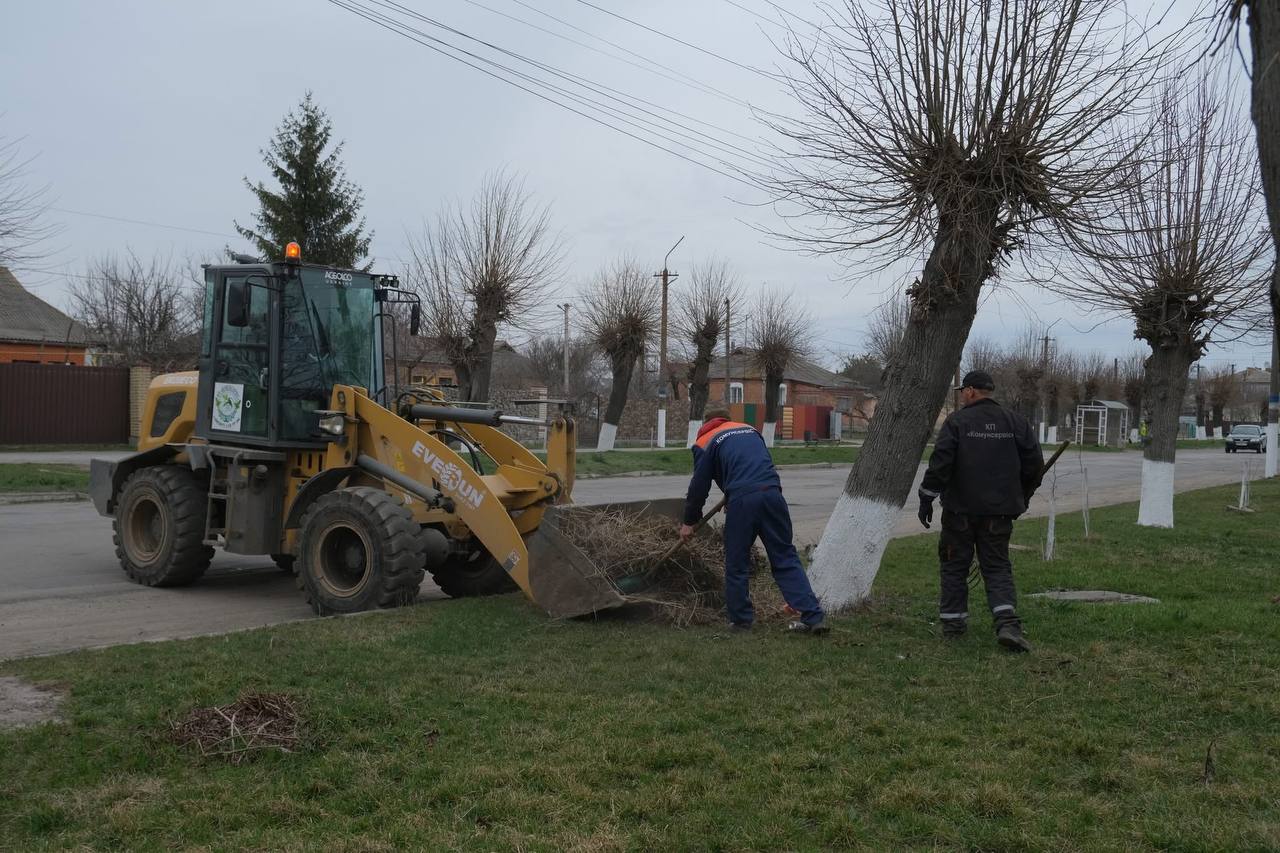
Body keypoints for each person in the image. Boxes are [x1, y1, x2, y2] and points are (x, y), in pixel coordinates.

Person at [917, 371, 1042, 652]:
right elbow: (1034, 465)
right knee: (997, 566)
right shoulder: (1016, 422)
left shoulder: (958, 422)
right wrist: (1021, 496)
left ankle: (953, 625)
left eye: (963, 391)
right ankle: (1007, 624)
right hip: (999, 513)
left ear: (972, 391)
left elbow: (941, 463)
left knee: (954, 566)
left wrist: (927, 497)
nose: (962, 395)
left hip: (959, 511)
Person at [681, 407, 827, 634]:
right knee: (785, 557)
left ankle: (741, 621)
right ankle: (813, 616)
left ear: (706, 424)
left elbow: (699, 487)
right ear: (727, 421)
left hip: (743, 501)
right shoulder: (749, 430)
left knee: (737, 561)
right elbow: (753, 465)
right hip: (773, 494)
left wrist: (689, 521)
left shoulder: (705, 441)